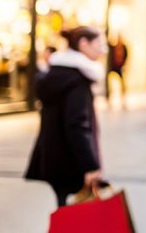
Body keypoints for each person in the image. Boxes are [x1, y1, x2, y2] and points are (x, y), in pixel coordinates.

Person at [26, 27, 107, 207]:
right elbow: (77, 124)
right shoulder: (76, 79)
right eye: (99, 44)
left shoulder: (57, 74)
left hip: (54, 158)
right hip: (72, 162)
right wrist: (91, 166)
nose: (103, 50)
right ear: (83, 44)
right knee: (75, 219)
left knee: (66, 213)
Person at [107, 34, 128, 108]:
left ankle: (123, 97)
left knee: (122, 83)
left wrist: (124, 65)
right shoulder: (113, 47)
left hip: (119, 67)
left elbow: (126, 56)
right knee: (109, 82)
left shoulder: (123, 47)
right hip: (113, 67)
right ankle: (109, 97)